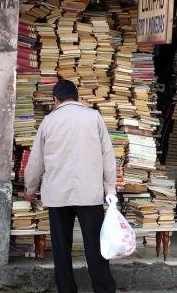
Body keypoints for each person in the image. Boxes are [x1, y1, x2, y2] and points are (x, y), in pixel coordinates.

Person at [24, 80, 117, 293]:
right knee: (96, 247)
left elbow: (36, 160)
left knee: (61, 248)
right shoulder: (94, 117)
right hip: (90, 195)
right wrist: (110, 189)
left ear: (55, 100)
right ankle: (103, 289)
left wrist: (29, 190)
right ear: (77, 97)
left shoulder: (48, 121)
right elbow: (108, 156)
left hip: (58, 195)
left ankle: (66, 290)